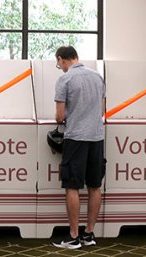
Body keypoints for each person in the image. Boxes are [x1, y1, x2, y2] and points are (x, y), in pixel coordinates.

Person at [52, 46, 105, 249]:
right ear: (76, 57)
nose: (60, 67)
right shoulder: (97, 76)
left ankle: (74, 236)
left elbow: (59, 116)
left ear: (61, 59)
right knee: (94, 185)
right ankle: (89, 234)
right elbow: (101, 109)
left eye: (58, 64)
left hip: (76, 137)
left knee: (72, 186)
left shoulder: (65, 79)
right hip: (97, 136)